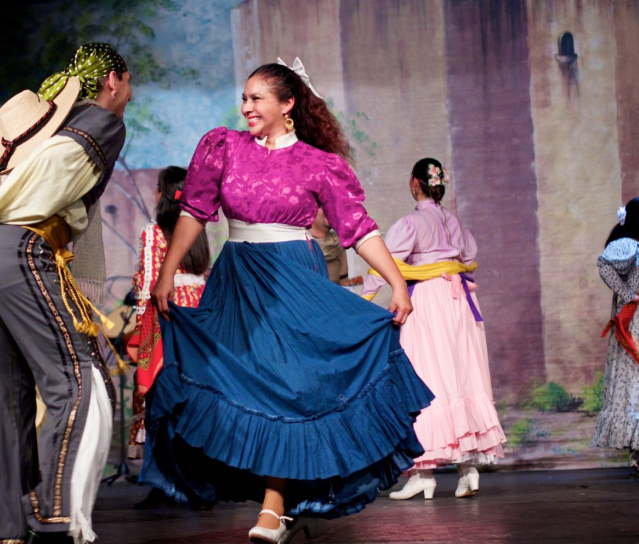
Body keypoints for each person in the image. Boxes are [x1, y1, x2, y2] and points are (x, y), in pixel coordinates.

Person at [141, 58, 433, 544]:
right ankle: (277, 502)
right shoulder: (224, 147)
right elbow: (194, 212)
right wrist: (167, 271)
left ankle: (274, 508)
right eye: (245, 98)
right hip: (236, 279)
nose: (246, 106)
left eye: (257, 98)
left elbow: (357, 230)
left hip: (292, 280)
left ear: (287, 104)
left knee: (289, 386)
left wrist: (397, 282)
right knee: (239, 384)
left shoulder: (318, 164)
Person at [0, 43, 131, 544]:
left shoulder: (34, 130)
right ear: (115, 80)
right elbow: (52, 179)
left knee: (5, 395)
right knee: (80, 382)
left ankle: (11, 526)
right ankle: (52, 511)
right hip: (17, 252)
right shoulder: (99, 120)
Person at [361, 158, 506, 500]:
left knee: (425, 376)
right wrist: (444, 265)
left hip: (428, 301)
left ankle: (423, 472)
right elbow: (469, 258)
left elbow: (384, 260)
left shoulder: (412, 223)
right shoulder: (453, 222)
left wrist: (366, 298)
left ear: (415, 184)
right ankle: (467, 469)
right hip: (458, 303)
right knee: (461, 375)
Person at [125, 166, 210, 510]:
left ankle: (165, 483)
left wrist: (142, 330)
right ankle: (196, 483)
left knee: (158, 399)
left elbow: (149, 287)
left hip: (165, 316)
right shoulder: (197, 231)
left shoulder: (154, 231)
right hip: (197, 322)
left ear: (162, 194)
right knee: (189, 399)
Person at [594, 198, 639, 474]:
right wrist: (627, 294)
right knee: (635, 384)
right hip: (636, 325)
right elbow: (604, 264)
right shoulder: (631, 244)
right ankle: (637, 454)